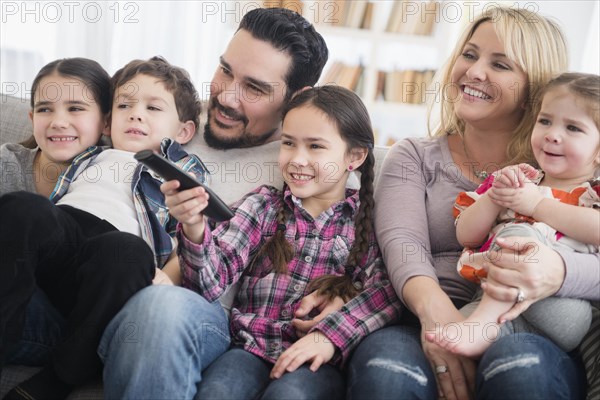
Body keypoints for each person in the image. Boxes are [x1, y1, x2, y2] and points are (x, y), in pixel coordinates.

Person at [346, 6, 595, 400]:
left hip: (531, 324)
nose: (474, 72)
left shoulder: (562, 167)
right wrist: (442, 325)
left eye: (500, 64)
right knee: (388, 374)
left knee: (520, 369)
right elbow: (403, 249)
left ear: (535, 87)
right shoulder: (414, 156)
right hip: (420, 320)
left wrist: (561, 271)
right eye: (469, 54)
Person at [98, 8, 331, 399]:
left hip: (202, 316)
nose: (225, 96)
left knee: (162, 308)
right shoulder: (170, 114)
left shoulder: (303, 166)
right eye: (225, 70)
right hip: (103, 287)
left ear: (297, 98)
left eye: (254, 89)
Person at [163, 85, 401, 399]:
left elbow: (388, 292)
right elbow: (208, 285)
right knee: (218, 393)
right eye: (289, 143)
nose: (297, 159)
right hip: (248, 349)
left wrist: (329, 336)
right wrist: (194, 226)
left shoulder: (369, 223)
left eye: (315, 146)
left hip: (317, 362)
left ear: (354, 156)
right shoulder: (261, 206)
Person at [0, 56, 205, 399]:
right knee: (25, 207)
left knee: (126, 250)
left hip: (109, 262)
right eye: (126, 104)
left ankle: (63, 375)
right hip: (64, 235)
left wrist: (168, 276)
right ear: (108, 122)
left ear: (182, 131)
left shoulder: (179, 171)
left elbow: (191, 239)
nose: (136, 113)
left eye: (153, 108)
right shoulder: (95, 151)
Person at [426, 72, 599, 358]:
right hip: (487, 304)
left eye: (573, 128)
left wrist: (535, 206)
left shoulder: (592, 194)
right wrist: (494, 198)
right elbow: (465, 235)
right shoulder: (517, 180)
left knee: (518, 238)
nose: (552, 134)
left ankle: (482, 324)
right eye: (545, 121)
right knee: (446, 346)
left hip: (560, 306)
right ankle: (483, 331)